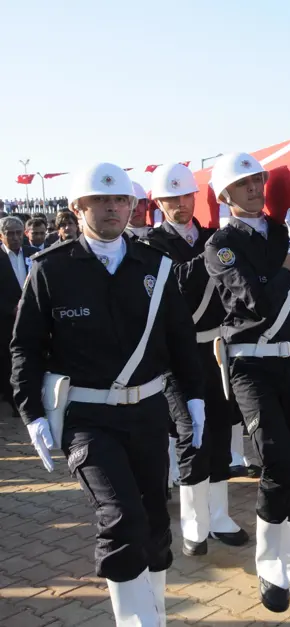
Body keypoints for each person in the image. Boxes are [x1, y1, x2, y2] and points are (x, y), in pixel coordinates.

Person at [12, 162, 205, 625]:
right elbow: (26, 347)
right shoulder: (51, 270)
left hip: (148, 414)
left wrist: (195, 398)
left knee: (156, 524)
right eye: (100, 200)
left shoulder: (156, 268)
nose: (112, 208)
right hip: (88, 419)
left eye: (120, 200)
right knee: (121, 519)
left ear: (133, 207)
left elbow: (180, 339)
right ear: (79, 208)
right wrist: (32, 412)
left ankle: (153, 611)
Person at [205, 152, 290, 609]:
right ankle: (268, 561)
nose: (256, 189)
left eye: (258, 180)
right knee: (277, 459)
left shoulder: (285, 231)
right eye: (243, 184)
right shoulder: (220, 245)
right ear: (225, 194)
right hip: (252, 363)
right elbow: (255, 301)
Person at [145, 163, 249, 556]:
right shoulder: (150, 245)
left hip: (218, 346)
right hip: (176, 352)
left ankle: (219, 516)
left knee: (221, 430)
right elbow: (171, 286)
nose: (180, 205)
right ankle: (193, 523)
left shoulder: (211, 237)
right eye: (171, 199)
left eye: (185, 196)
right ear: (160, 202)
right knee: (191, 433)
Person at [0, 216, 37, 412]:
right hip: (6, 321)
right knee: (9, 360)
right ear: (1, 236)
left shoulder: (34, 254)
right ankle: (15, 400)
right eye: (9, 233)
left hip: (32, 317)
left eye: (18, 233)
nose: (14, 237)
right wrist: (10, 308)